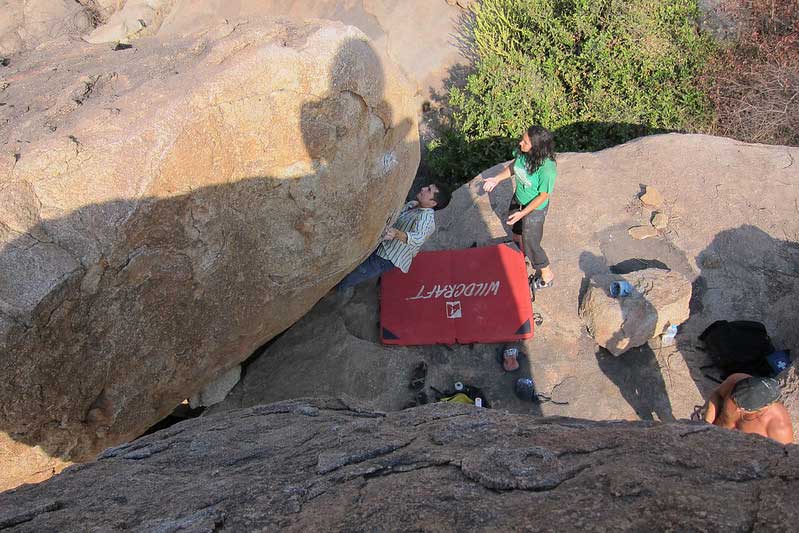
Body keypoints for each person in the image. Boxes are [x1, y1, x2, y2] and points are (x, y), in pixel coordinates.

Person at [336, 183, 451, 291]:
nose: (423, 188)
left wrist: (396, 233)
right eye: (427, 187)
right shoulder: (413, 204)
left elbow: (418, 238)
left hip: (387, 257)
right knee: (355, 266)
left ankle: (333, 290)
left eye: (429, 190)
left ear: (433, 203)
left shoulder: (426, 219)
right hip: (384, 244)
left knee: (358, 273)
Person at [481, 125, 557, 289]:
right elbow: (514, 167)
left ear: (536, 148)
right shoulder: (523, 153)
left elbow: (543, 196)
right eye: (522, 139)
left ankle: (546, 274)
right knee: (516, 231)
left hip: (534, 209)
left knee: (532, 243)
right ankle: (518, 253)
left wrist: (523, 214)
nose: (520, 143)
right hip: (519, 199)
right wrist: (496, 179)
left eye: (525, 142)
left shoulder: (547, 169)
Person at [702, 373, 793, 444]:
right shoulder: (735, 380)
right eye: (734, 400)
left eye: (743, 408)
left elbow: (780, 460)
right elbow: (717, 395)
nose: (737, 409)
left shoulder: (780, 430)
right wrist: (706, 425)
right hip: (710, 435)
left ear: (762, 408)